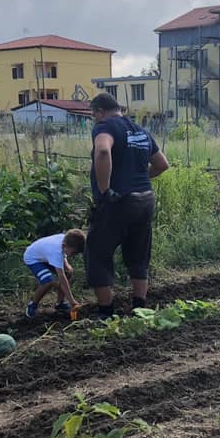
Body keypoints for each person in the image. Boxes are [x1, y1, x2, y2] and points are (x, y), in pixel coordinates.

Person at [85, 92, 170, 318]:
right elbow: (162, 164)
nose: (94, 120)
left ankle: (105, 311)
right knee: (138, 253)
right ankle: (139, 307)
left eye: (94, 115)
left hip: (118, 201)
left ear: (100, 112)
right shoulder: (140, 131)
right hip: (145, 200)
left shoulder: (106, 127)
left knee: (97, 252)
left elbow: (103, 150)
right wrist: (139, 179)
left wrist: (104, 191)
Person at [23, 228, 85, 318]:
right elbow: (62, 278)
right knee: (48, 281)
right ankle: (33, 304)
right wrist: (72, 301)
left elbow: (63, 257)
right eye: (74, 252)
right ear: (64, 246)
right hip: (33, 258)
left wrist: (66, 264)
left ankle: (60, 303)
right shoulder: (56, 251)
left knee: (69, 271)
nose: (74, 255)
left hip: (46, 255)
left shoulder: (66, 240)